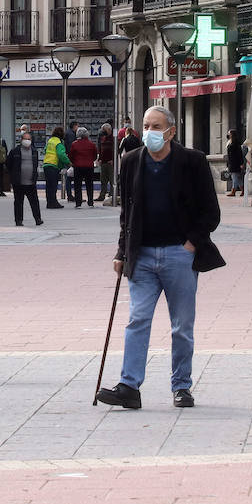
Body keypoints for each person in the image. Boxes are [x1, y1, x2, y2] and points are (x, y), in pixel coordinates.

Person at [98, 105, 224, 411]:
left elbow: (211, 212)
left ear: (171, 131)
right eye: (146, 126)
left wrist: (191, 244)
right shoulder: (131, 161)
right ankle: (129, 386)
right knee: (137, 320)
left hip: (178, 255)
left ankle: (181, 386)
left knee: (181, 325)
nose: (150, 132)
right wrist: (121, 251)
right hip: (141, 255)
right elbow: (127, 213)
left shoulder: (192, 162)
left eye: (156, 126)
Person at [7, 130, 44, 227]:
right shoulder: (15, 151)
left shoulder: (34, 151)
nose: (27, 141)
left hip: (31, 182)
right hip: (18, 182)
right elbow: (8, 164)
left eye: (29, 139)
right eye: (25, 139)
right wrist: (13, 175)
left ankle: (38, 219)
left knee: (34, 201)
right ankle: (18, 220)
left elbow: (35, 164)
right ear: (21, 140)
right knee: (18, 202)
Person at [69, 127, 99, 207]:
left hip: (78, 166)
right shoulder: (91, 144)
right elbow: (95, 156)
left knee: (77, 185)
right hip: (89, 166)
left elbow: (71, 156)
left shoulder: (74, 144)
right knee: (89, 184)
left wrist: (74, 162)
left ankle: (78, 203)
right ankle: (90, 202)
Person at [43, 126, 70, 209]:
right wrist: (68, 162)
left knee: (48, 186)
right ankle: (53, 202)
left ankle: (49, 202)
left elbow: (45, 150)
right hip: (53, 165)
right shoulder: (59, 143)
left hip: (46, 164)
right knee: (53, 185)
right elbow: (61, 155)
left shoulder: (50, 141)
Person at [97, 123, 115, 203]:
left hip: (110, 162)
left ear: (108, 129)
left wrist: (113, 159)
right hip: (103, 162)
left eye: (104, 129)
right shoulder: (103, 138)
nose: (102, 131)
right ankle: (102, 195)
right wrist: (100, 158)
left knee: (111, 180)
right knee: (103, 180)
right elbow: (101, 149)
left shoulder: (113, 139)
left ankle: (112, 195)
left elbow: (115, 150)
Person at [225, 129, 245, 197]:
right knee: (238, 178)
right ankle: (243, 190)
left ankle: (233, 191)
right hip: (231, 162)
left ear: (232, 135)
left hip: (235, 163)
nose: (228, 135)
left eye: (229, 133)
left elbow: (239, 154)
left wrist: (241, 163)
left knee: (234, 177)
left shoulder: (236, 143)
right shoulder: (229, 142)